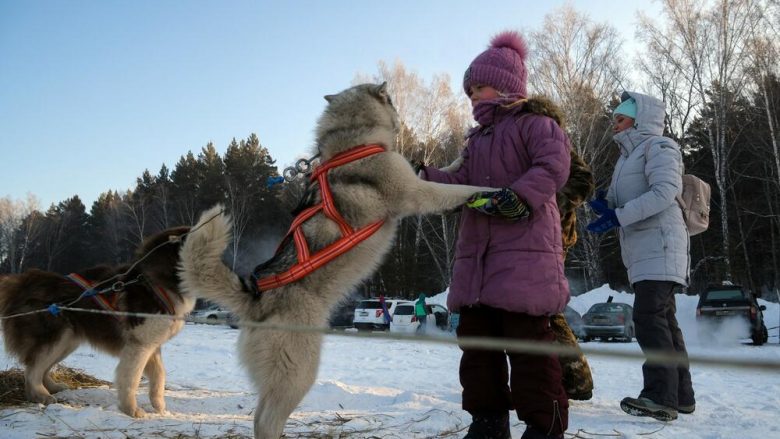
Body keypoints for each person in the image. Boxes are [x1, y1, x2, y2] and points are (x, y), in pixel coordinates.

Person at [419, 31, 570, 439]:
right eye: (468, 90)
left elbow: (554, 165)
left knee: (529, 352)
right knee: (478, 351)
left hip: (525, 261)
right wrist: (422, 178)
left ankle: (544, 427)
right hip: (478, 266)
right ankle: (487, 423)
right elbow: (458, 181)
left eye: (478, 86)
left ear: (505, 85)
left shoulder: (535, 124)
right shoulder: (476, 140)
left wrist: (519, 197)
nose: (471, 96)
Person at [586, 91, 695, 422]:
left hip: (661, 246)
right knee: (665, 321)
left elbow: (663, 193)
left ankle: (660, 396)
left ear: (640, 119)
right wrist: (608, 203)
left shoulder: (659, 147)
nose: (614, 126)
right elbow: (630, 198)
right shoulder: (626, 158)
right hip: (645, 250)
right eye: (614, 120)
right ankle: (681, 396)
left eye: (620, 119)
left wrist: (618, 216)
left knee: (648, 318)